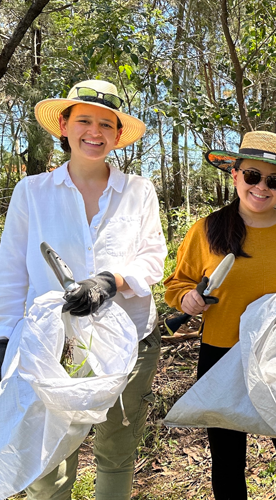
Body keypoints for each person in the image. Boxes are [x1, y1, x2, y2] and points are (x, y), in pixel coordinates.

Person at [0, 79, 167, 500]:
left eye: (106, 124)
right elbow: (11, 271)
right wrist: (4, 339)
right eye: (85, 121)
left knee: (115, 449)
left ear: (116, 135)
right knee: (48, 456)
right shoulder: (32, 192)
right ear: (64, 125)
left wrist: (111, 281)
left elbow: (152, 258)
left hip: (130, 341)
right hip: (51, 346)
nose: (95, 132)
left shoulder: (138, 191)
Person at [164, 131, 276, 500]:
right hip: (221, 355)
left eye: (273, 180)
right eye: (252, 176)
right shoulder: (206, 230)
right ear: (235, 175)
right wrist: (188, 301)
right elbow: (177, 284)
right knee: (226, 459)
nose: (261, 187)